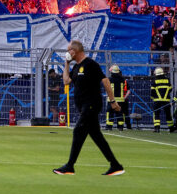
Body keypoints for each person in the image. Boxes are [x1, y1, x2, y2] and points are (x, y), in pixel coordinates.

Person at [53, 40, 124, 176]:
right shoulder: (76, 67)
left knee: (78, 131)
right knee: (97, 136)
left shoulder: (91, 64)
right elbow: (66, 81)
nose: (67, 53)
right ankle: (115, 165)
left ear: (74, 51)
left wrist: (113, 101)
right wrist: (66, 63)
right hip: (84, 106)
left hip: (91, 105)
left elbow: (105, 81)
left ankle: (69, 166)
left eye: (68, 51)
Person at [105, 65, 131, 130]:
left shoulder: (109, 79)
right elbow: (128, 90)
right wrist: (124, 97)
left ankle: (109, 127)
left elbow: (107, 90)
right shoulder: (123, 80)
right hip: (120, 100)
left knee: (110, 113)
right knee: (120, 114)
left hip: (111, 100)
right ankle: (120, 127)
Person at [150, 67, 172, 133]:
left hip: (157, 100)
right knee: (168, 114)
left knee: (156, 113)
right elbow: (170, 89)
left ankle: (157, 128)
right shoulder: (167, 80)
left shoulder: (154, 81)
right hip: (166, 100)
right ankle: (171, 127)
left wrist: (153, 98)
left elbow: (152, 91)